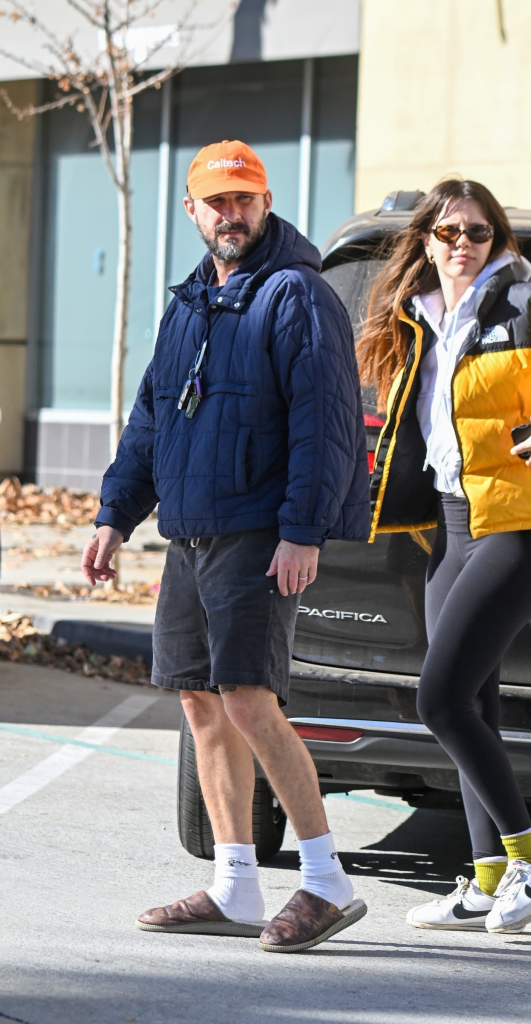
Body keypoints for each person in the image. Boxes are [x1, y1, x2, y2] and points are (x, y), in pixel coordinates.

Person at [81, 140, 371, 953]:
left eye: (245, 200)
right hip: (191, 530)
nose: (232, 215)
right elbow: (151, 419)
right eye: (217, 202)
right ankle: (235, 886)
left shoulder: (297, 295)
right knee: (199, 702)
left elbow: (327, 424)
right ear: (192, 211)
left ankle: (324, 881)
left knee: (247, 698)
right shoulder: (188, 304)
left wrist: (301, 529)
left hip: (257, 530)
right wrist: (114, 514)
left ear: (265, 202)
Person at [357, 178, 531, 934]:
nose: (462, 245)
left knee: (438, 699)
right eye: (449, 232)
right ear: (425, 240)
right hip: (450, 532)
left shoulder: (529, 303)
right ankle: (486, 879)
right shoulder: (417, 319)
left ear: (499, 241)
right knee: (472, 706)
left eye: (478, 233)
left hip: (516, 533)